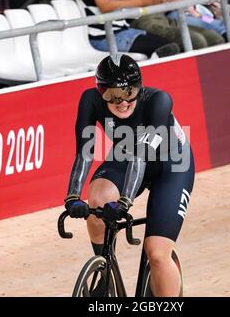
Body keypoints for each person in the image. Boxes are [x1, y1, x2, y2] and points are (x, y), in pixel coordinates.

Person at [64, 54, 195, 297]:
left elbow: (142, 157)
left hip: (172, 164)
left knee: (156, 253)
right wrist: (72, 198)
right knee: (95, 204)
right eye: (113, 95)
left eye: (130, 92)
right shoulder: (90, 101)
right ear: (100, 91)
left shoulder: (159, 100)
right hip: (127, 151)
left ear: (140, 88)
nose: (123, 101)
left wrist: (124, 202)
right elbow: (84, 153)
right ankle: (104, 272)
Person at [77, 0, 181, 58]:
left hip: (124, 31)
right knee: (169, 48)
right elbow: (105, 6)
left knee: (173, 46)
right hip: (102, 36)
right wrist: (144, 1)